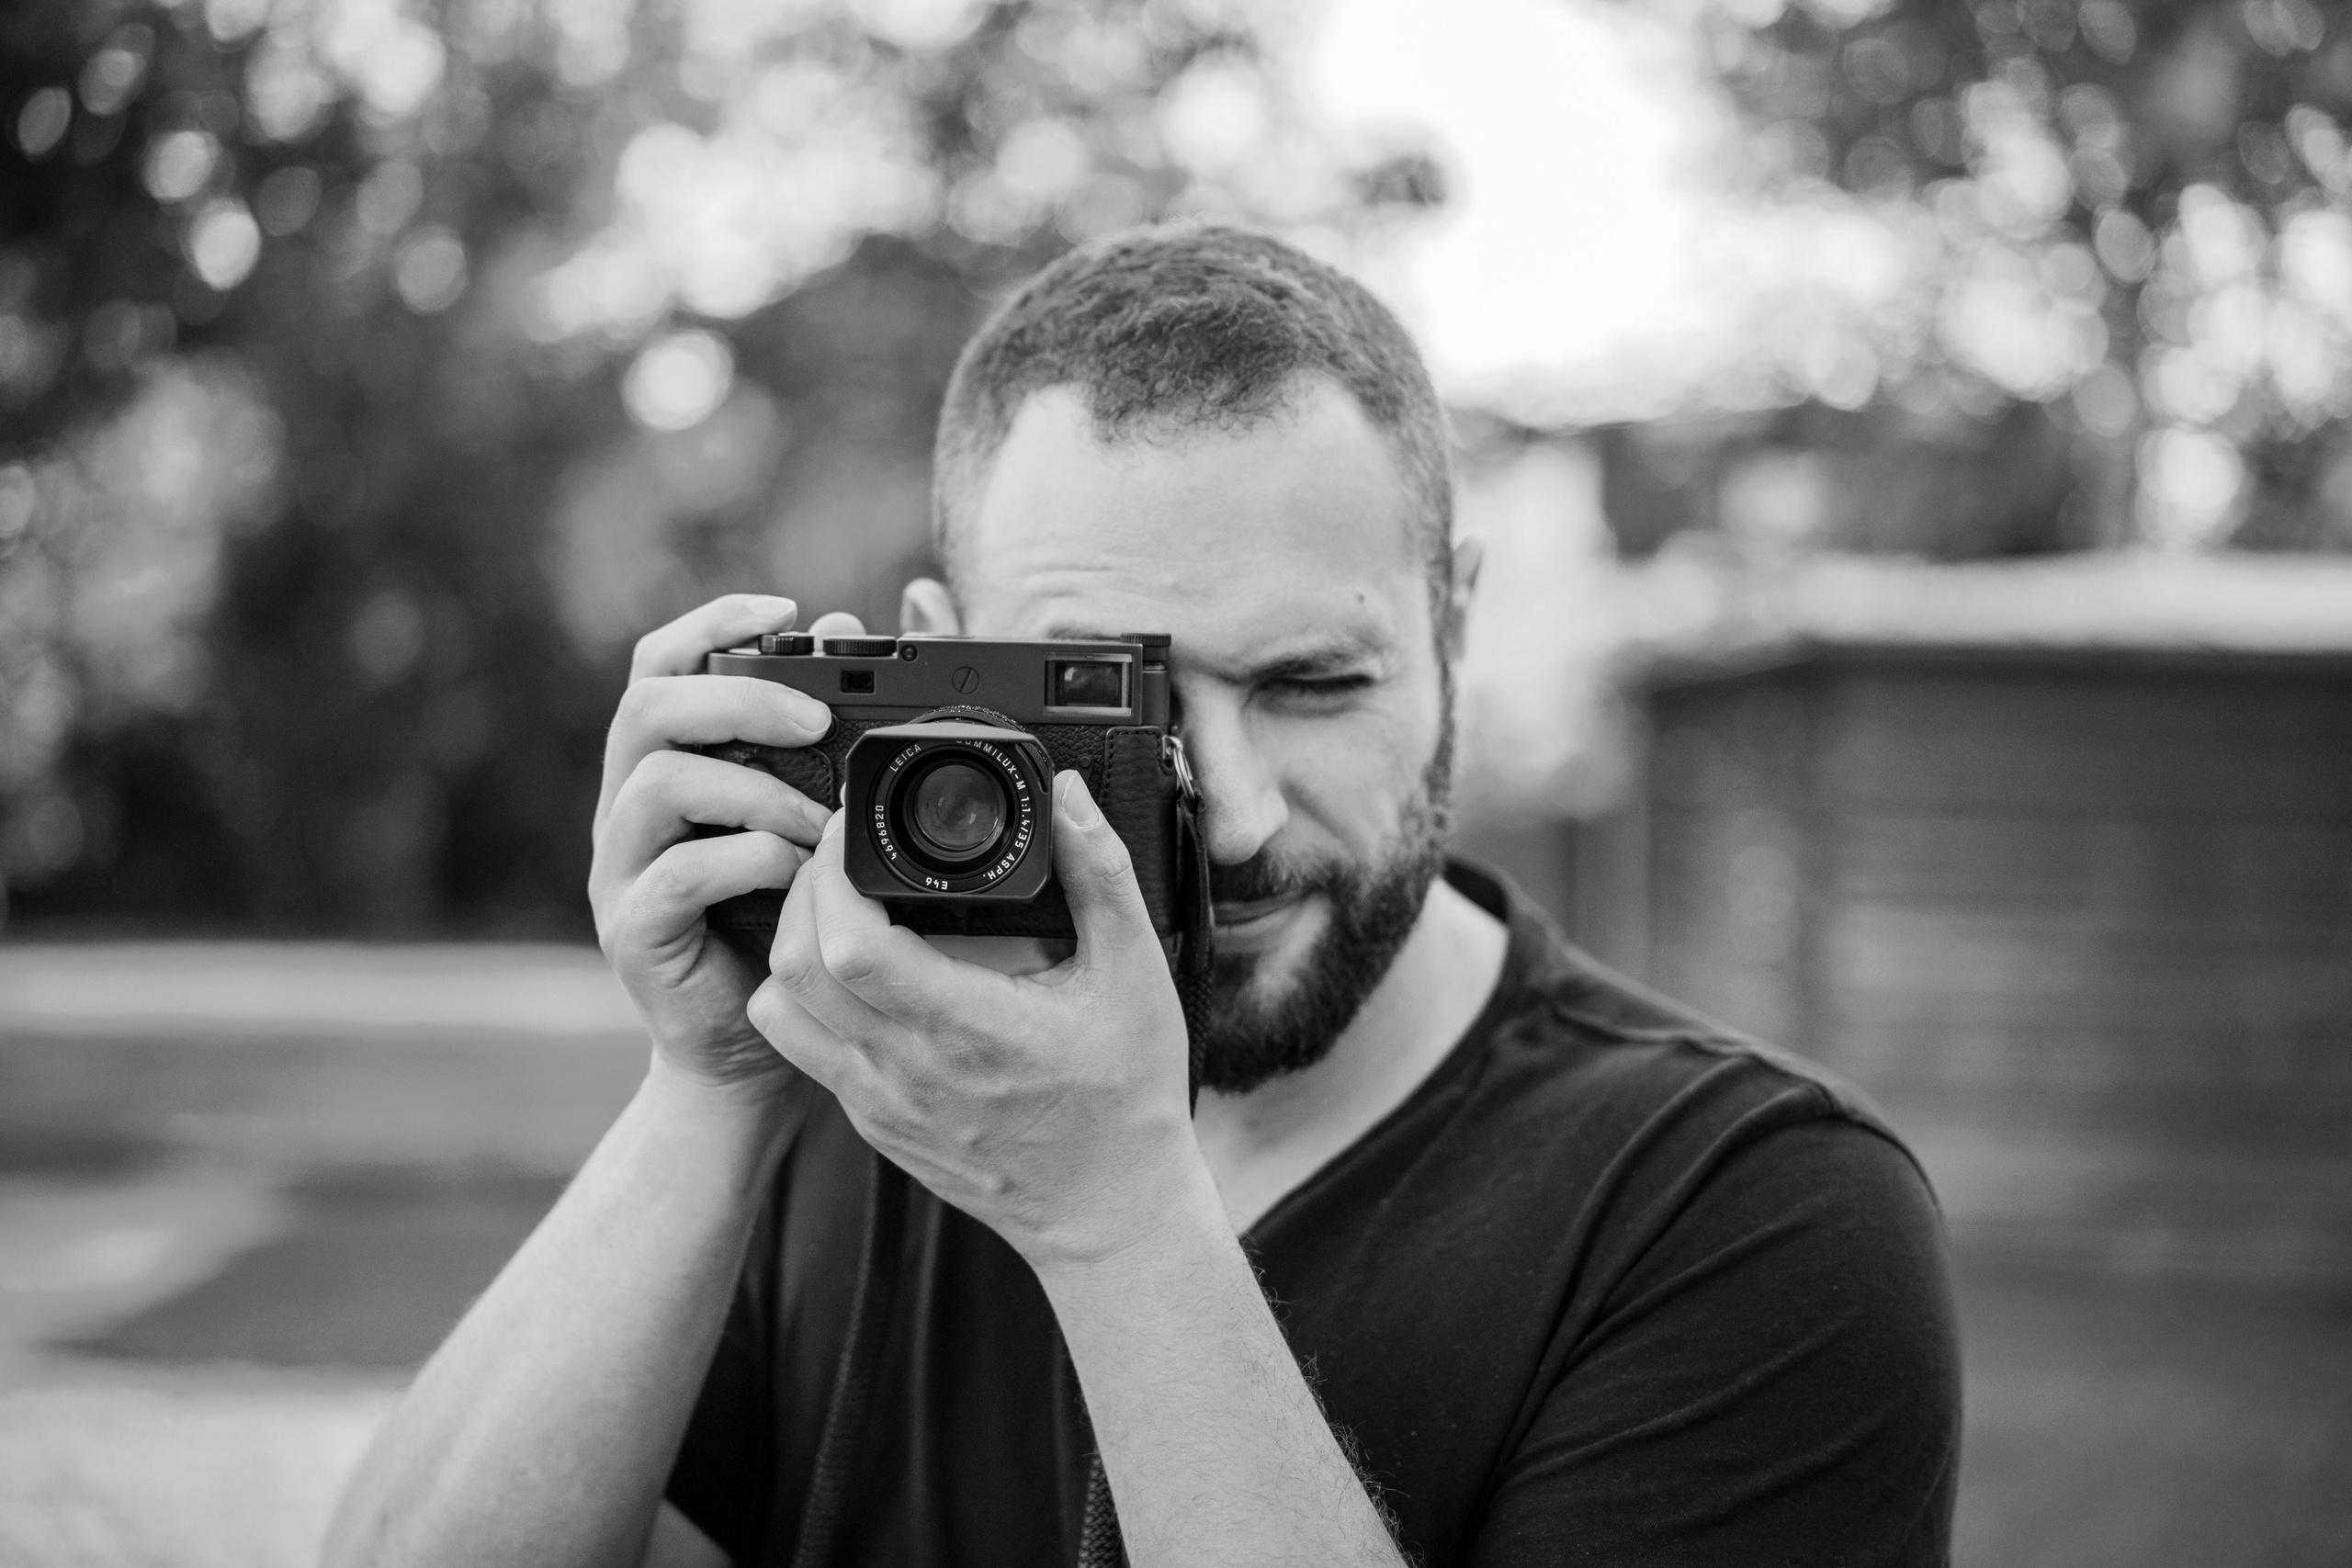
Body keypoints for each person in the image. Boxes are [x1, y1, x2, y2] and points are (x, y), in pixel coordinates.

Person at [324, 225, 1959, 1568]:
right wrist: (710, 1083)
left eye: (1316, 683)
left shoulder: (1750, 1215)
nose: (1234, 813)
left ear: (1452, 631)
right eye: (1116, 701)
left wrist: (1118, 1223)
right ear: (938, 661)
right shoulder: (860, 1079)